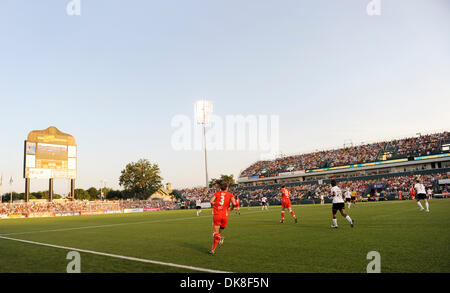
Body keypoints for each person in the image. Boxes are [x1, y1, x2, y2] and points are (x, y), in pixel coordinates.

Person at [209, 182, 237, 255]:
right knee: (217, 234)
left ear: (220, 188)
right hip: (225, 216)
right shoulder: (230, 195)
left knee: (214, 233)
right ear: (227, 188)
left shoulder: (217, 193)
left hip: (217, 215)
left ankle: (220, 238)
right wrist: (232, 207)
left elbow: (211, 201)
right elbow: (234, 203)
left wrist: (217, 204)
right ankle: (212, 250)